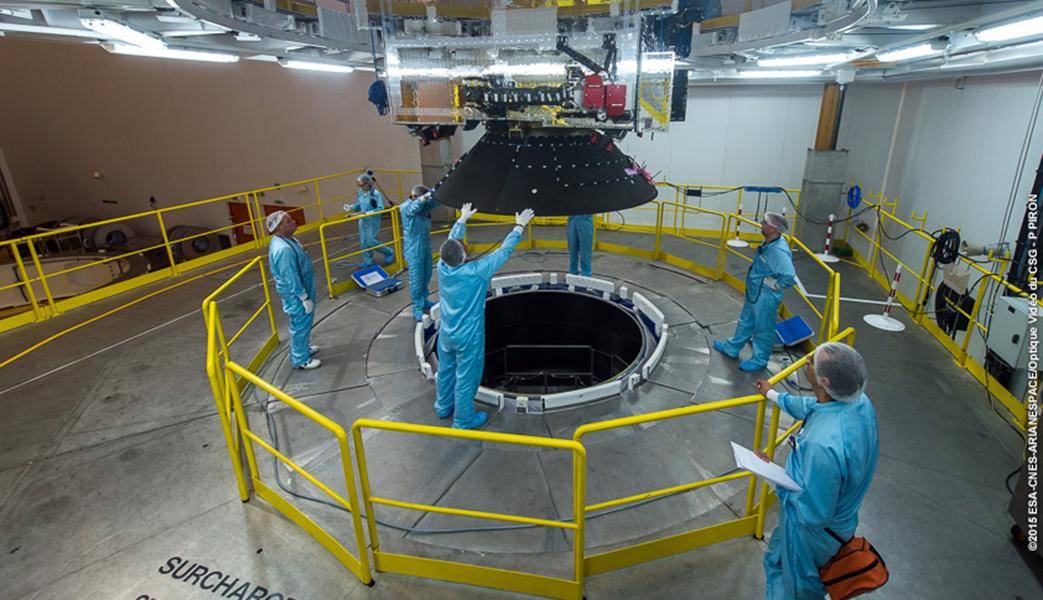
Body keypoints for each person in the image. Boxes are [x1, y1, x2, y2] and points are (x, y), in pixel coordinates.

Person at [753, 342, 878, 600]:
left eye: (811, 361)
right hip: (835, 520)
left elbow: (812, 513)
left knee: (800, 589)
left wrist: (770, 472)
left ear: (823, 380)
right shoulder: (858, 403)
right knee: (777, 560)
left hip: (811, 535)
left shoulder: (823, 445)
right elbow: (815, 407)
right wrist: (774, 395)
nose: (807, 358)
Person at [435, 203, 535, 429]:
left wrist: (461, 220)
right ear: (462, 256)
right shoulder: (476, 272)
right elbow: (503, 252)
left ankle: (442, 407)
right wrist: (519, 227)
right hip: (468, 336)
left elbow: (450, 243)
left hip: (446, 333)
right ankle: (463, 420)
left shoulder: (441, 266)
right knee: (466, 378)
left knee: (446, 370)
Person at [713, 212, 796, 372]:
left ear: (775, 228)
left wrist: (774, 284)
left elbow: (789, 277)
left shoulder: (778, 251)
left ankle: (759, 360)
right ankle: (732, 347)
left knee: (763, 328)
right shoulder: (770, 243)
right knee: (746, 321)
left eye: (765, 223)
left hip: (766, 296)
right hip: (755, 292)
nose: (761, 224)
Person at [266, 210, 320, 370]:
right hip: (296, 294)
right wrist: (303, 297)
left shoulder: (289, 239)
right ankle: (300, 359)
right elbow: (290, 277)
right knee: (300, 324)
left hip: (303, 287)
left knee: (304, 322)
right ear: (278, 228)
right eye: (288, 221)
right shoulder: (283, 249)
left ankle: (303, 349)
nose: (294, 222)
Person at [399, 184, 439, 321]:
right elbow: (412, 209)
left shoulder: (424, 206)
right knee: (416, 279)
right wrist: (423, 199)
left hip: (425, 244)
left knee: (427, 274)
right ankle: (417, 307)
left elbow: (435, 203)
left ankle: (424, 300)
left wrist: (438, 191)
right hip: (413, 248)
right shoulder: (405, 207)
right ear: (416, 197)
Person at [343, 173, 394, 267]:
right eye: (359, 185)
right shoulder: (360, 192)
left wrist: (366, 213)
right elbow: (359, 204)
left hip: (372, 220)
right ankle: (368, 261)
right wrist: (351, 207)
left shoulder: (375, 194)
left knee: (370, 241)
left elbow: (380, 208)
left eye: (362, 185)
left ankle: (389, 252)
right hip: (362, 220)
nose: (361, 187)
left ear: (368, 183)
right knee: (363, 242)